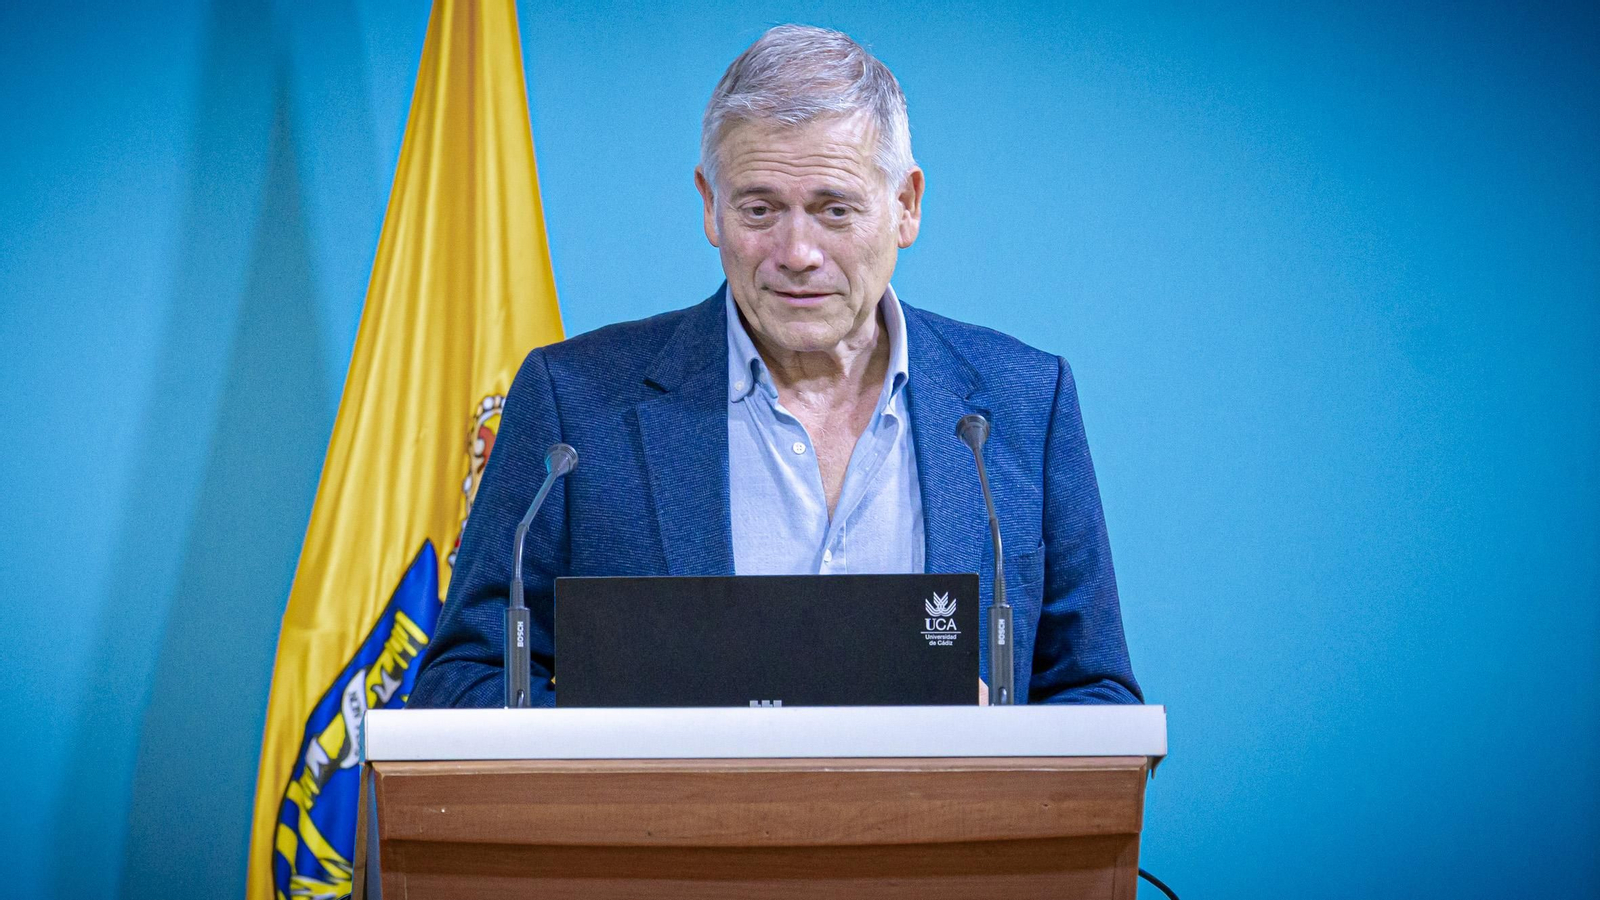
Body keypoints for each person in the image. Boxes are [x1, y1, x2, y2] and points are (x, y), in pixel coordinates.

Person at [407, 24, 1139, 708]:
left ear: (906, 206)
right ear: (711, 206)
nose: (797, 253)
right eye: (760, 210)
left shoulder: (1024, 403)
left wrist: (1002, 748)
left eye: (835, 210)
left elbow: (1096, 692)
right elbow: (464, 682)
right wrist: (637, 747)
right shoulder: (575, 403)